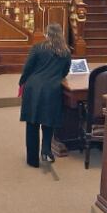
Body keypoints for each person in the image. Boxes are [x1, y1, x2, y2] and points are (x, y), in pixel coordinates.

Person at [18, 23, 72, 167]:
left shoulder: (38, 47)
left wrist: (22, 81)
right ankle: (46, 150)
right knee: (48, 122)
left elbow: (28, 67)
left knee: (32, 124)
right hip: (52, 89)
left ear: (47, 34)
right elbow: (65, 71)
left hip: (33, 88)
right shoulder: (66, 51)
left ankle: (32, 160)